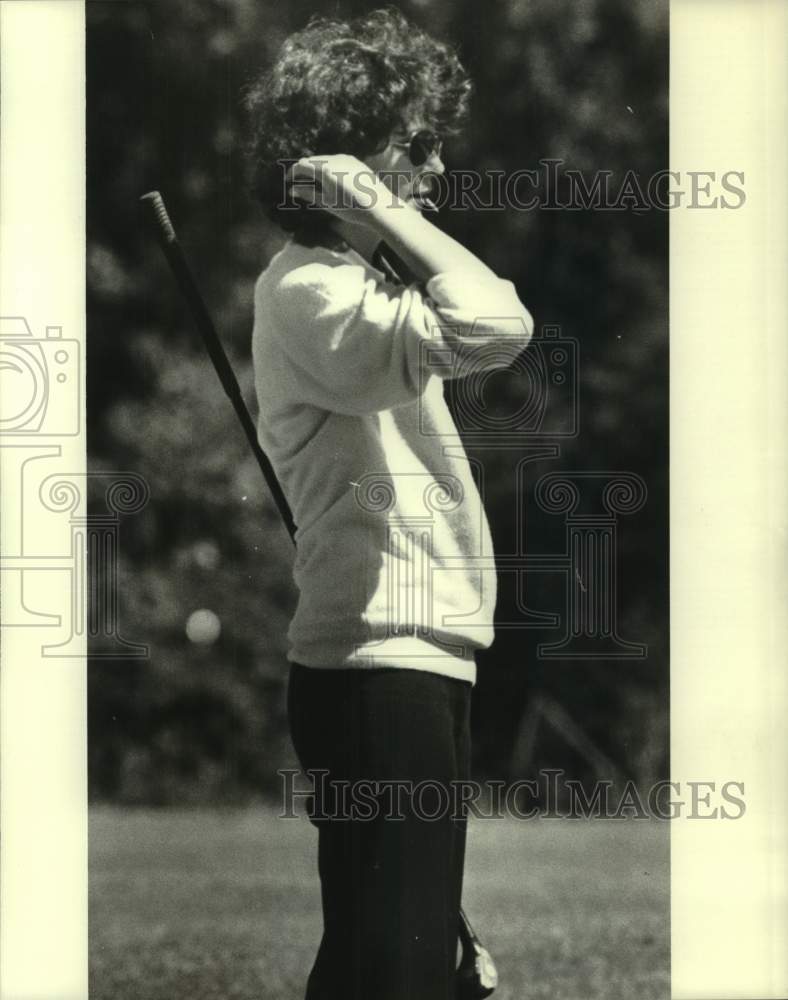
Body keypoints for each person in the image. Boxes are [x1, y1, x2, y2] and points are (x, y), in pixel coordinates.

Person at [245, 10, 533, 999]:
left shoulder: (351, 286)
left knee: (395, 961)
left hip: (413, 655)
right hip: (375, 661)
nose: (439, 168)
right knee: (389, 969)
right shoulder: (313, 293)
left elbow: (483, 318)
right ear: (339, 161)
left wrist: (381, 213)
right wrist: (379, 206)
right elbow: (497, 321)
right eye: (415, 145)